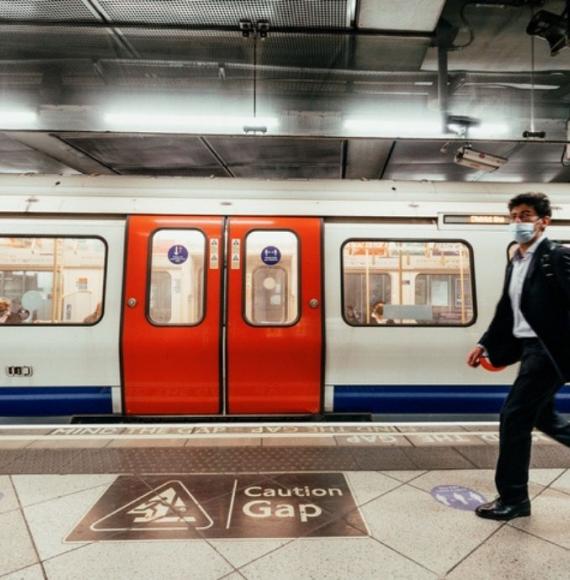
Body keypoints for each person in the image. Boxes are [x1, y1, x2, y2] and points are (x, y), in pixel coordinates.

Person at [466, 192, 570, 521]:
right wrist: (485, 343)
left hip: (548, 349)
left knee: (513, 416)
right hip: (528, 349)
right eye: (513, 216)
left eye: (525, 215)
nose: (518, 222)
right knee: (544, 417)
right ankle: (514, 497)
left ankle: (514, 499)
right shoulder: (517, 259)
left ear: (544, 221)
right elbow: (506, 311)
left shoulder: (557, 258)